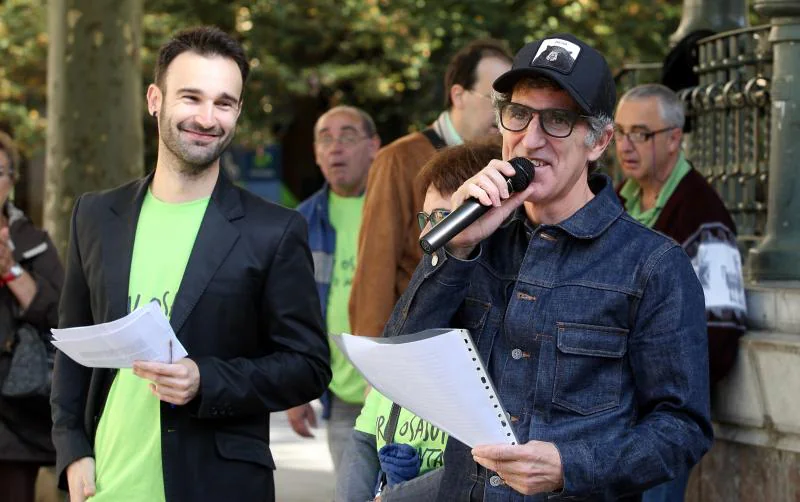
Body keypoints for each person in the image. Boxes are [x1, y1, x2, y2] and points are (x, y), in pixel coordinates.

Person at [383, 33, 714, 501]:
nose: (530, 139)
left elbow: (682, 428)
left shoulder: (654, 265)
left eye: (558, 120)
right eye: (519, 114)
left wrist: (570, 466)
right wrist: (454, 250)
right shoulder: (476, 243)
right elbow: (403, 362)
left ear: (598, 140)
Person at [50, 26, 331, 502]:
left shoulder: (274, 230)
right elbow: (72, 345)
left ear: (238, 112)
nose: (207, 117)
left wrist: (207, 379)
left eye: (224, 103)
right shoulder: (96, 215)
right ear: (155, 98)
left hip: (216, 485)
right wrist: (72, 448)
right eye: (191, 97)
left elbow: (307, 367)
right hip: (103, 485)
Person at [336, 138, 502, 502]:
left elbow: (481, 470)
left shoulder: (500, 332)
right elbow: (365, 436)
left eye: (445, 218)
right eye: (426, 219)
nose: (430, 233)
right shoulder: (416, 312)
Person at [614, 83, 747, 502]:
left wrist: (664, 389)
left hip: (662, 419)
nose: (625, 145)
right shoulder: (619, 201)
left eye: (641, 133)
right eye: (618, 132)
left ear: (674, 138)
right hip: (611, 412)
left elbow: (722, 331)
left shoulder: (703, 214)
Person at [348, 39, 512, 339]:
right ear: (458, 95)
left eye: (510, 103)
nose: (503, 112)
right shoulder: (399, 159)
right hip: (413, 343)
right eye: (494, 100)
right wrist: (374, 365)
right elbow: (376, 268)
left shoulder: (506, 161)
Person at [289, 105, 380, 474]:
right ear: (315, 153)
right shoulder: (302, 221)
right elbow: (293, 311)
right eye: (325, 139)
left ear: (374, 146)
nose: (335, 148)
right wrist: (296, 391)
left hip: (397, 390)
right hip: (342, 394)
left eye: (347, 137)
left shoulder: (397, 207)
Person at [0, 131, 63, 502]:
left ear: (11, 181)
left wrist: (12, 273)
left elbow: (63, 317)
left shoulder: (33, 241)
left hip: (13, 412)